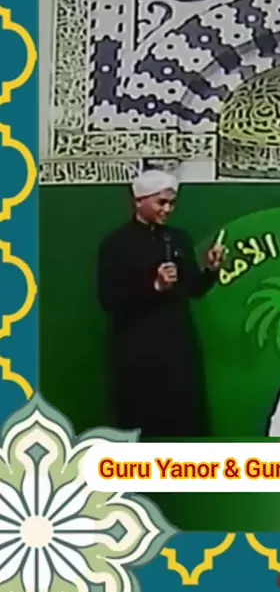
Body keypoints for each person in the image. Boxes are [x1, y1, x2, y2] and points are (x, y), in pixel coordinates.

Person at [97, 169, 225, 438]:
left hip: (177, 351)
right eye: (161, 202)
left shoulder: (178, 239)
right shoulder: (115, 245)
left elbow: (194, 289)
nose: (167, 209)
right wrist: (154, 287)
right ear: (139, 201)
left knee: (185, 423)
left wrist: (211, 269)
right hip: (136, 355)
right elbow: (108, 298)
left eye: (171, 203)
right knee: (142, 425)